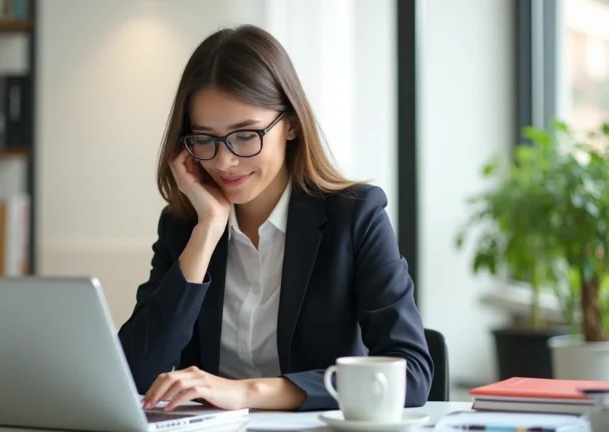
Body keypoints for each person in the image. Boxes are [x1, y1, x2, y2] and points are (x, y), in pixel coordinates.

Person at [117, 24, 433, 413]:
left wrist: (246, 393)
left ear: (291, 124)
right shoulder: (185, 227)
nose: (224, 161)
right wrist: (208, 229)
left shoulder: (355, 217)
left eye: (245, 135)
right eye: (204, 139)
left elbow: (412, 374)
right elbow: (132, 374)